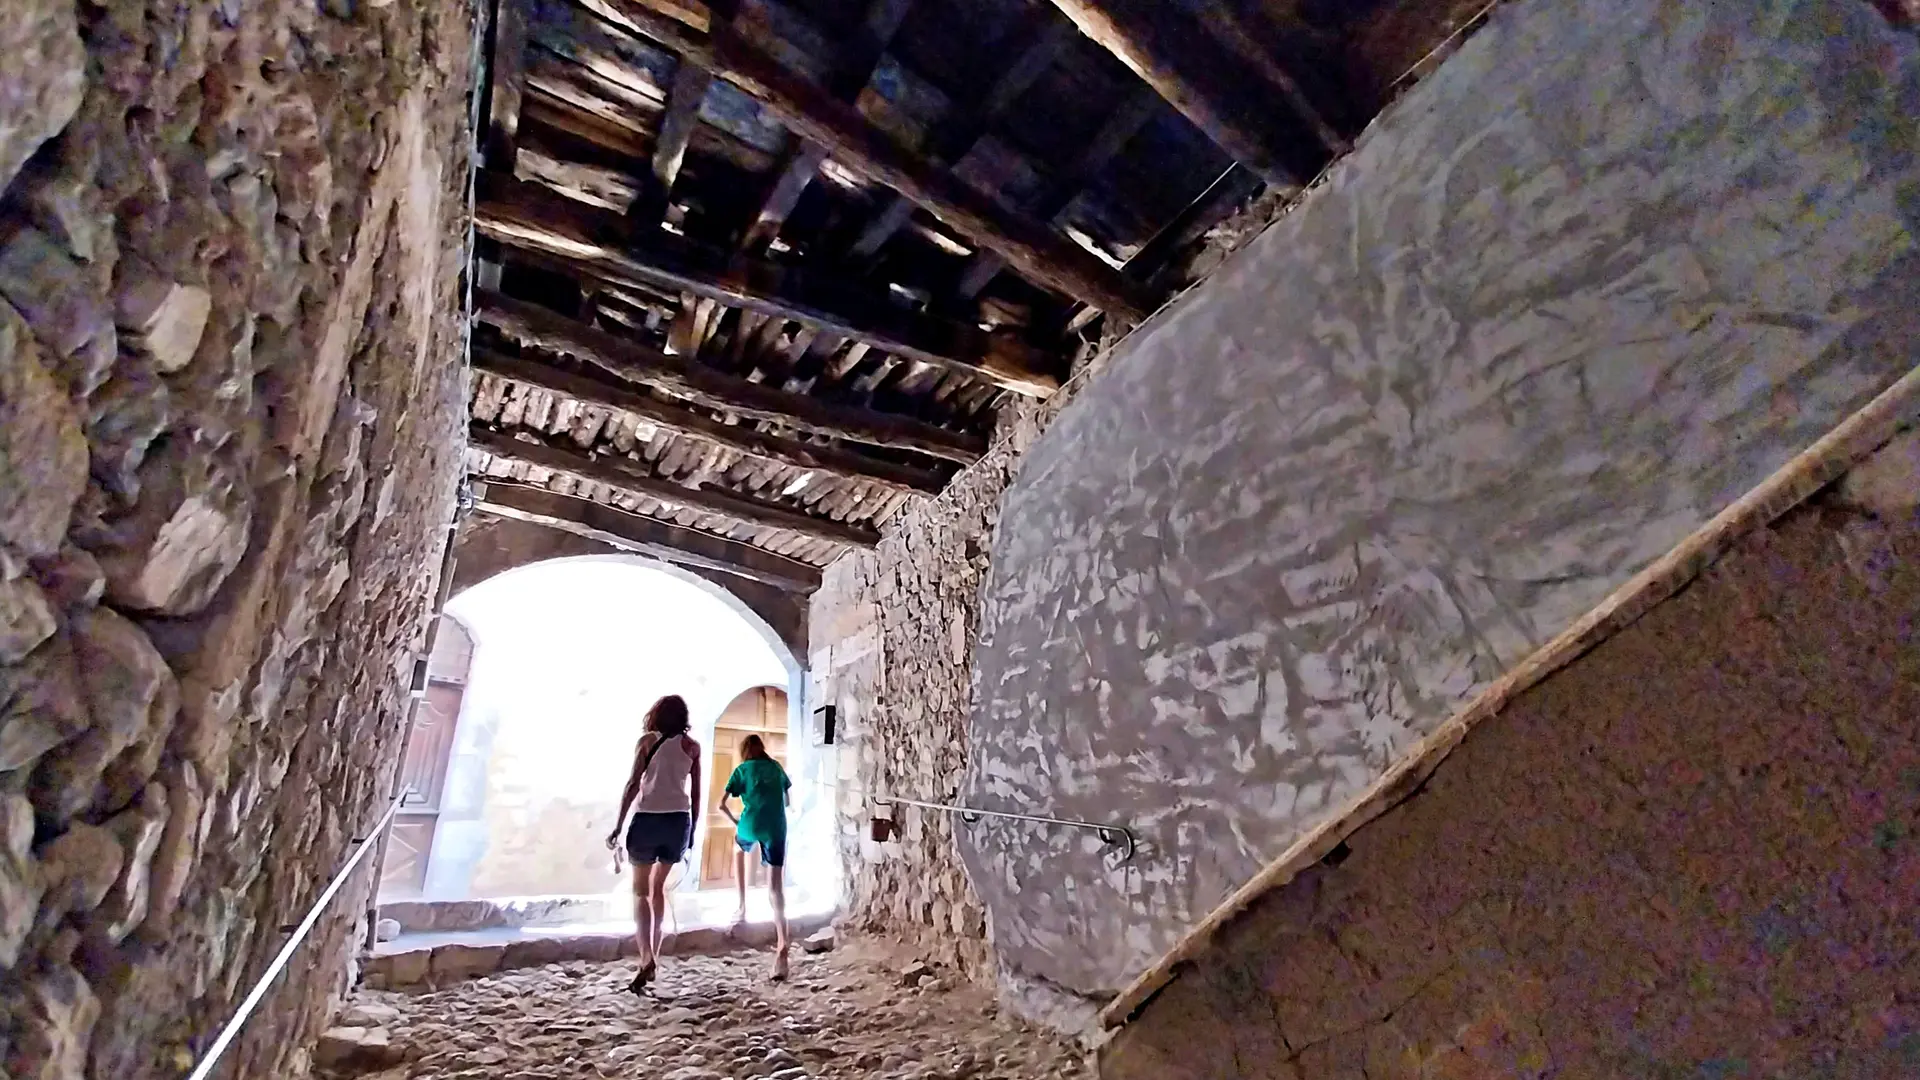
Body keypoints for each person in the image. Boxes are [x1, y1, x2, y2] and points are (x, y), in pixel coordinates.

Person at [606, 694, 700, 993]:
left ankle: (646, 956)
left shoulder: (647, 741)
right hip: (678, 821)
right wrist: (693, 829)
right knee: (659, 889)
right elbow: (696, 793)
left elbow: (633, 783)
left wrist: (618, 825)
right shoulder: (692, 747)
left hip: (648, 819)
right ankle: (654, 957)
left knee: (640, 891)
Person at [718, 733, 793, 980]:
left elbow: (721, 804)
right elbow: (787, 801)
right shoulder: (776, 767)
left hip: (750, 824)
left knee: (739, 848)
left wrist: (736, 821)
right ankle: (782, 943)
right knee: (776, 888)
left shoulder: (742, 770)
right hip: (776, 828)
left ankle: (741, 905)